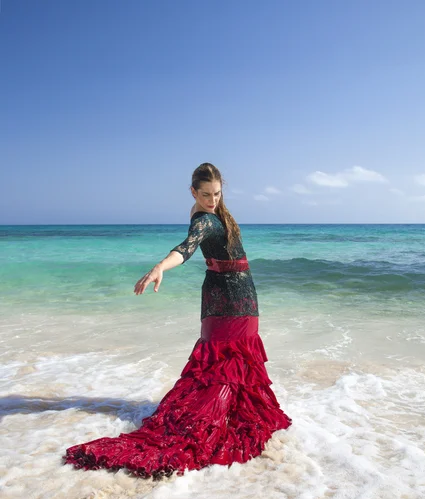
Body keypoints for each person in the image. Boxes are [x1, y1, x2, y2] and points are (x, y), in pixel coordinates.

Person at [63, 163, 292, 478]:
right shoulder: (203, 219)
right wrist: (161, 266)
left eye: (217, 193)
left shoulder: (215, 213)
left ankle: (226, 416)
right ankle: (209, 423)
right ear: (194, 192)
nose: (212, 200)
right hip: (227, 300)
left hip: (241, 295)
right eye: (206, 195)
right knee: (223, 365)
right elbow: (186, 249)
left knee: (237, 363)